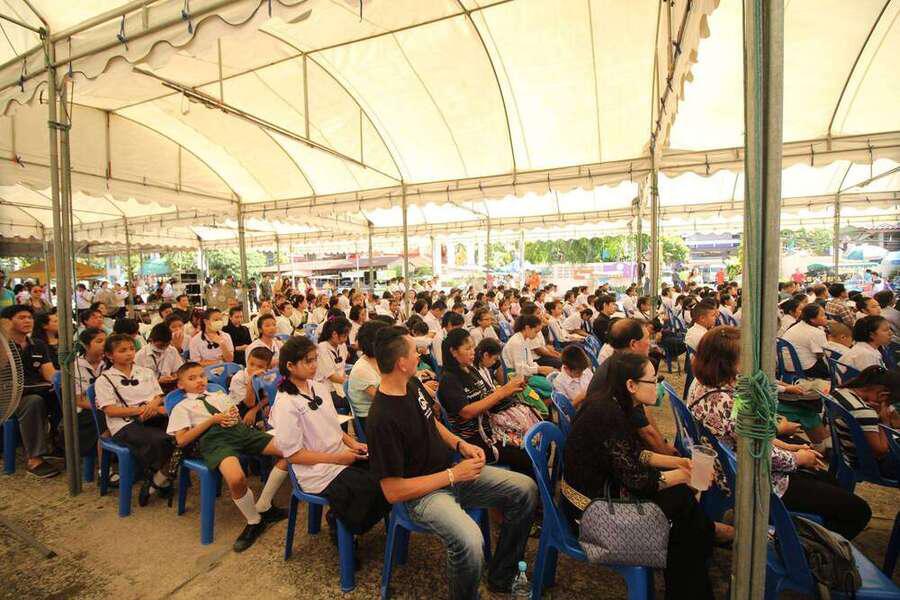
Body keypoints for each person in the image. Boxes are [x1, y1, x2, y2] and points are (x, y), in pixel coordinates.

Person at [366, 326, 538, 599]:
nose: (420, 354)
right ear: (401, 363)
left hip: (451, 473)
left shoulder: (411, 385)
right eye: (414, 351)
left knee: (525, 489)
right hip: (421, 496)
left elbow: (432, 422)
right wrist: (452, 476)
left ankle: (502, 574)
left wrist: (460, 444)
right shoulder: (382, 419)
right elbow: (393, 491)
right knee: (470, 540)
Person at [564, 352, 727, 600]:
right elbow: (640, 481)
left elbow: (635, 454)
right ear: (631, 385)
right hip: (590, 512)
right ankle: (692, 579)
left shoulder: (616, 405)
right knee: (682, 506)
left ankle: (694, 565)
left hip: (603, 490)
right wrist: (683, 475)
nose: (657, 386)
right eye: (653, 380)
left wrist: (679, 462)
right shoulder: (606, 413)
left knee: (683, 506)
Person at [688, 326, 871, 540]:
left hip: (730, 469)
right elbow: (757, 452)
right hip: (753, 480)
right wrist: (798, 458)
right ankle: (806, 546)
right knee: (858, 510)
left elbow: (745, 435)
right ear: (727, 362)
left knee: (825, 478)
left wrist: (787, 446)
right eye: (745, 355)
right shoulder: (726, 399)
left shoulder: (703, 385)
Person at [269, 336, 390, 547]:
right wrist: (338, 459)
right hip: (317, 470)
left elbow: (333, 425)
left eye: (315, 359)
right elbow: (294, 455)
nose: (314, 365)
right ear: (290, 366)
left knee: (386, 470)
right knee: (371, 487)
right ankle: (339, 523)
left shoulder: (318, 387)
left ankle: (345, 517)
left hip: (340, 455)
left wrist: (353, 444)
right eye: (308, 361)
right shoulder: (285, 403)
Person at [167, 362, 287, 551]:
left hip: (240, 432)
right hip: (214, 441)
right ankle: (254, 520)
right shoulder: (182, 407)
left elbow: (236, 416)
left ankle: (264, 504)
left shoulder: (219, 395)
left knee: (291, 452)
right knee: (236, 479)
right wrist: (211, 421)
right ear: (180, 384)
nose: (199, 381)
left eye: (202, 376)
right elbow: (181, 440)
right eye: (192, 378)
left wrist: (232, 417)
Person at [438, 329, 532, 475]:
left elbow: (488, 396)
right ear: (453, 351)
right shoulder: (449, 380)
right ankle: (529, 487)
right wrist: (502, 392)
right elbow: (467, 412)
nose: (473, 352)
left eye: (473, 347)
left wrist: (510, 389)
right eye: (467, 348)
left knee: (533, 439)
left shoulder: (470, 370)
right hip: (476, 440)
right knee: (526, 453)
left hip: (491, 427)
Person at [94, 334, 174, 506]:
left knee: (182, 435)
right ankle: (160, 478)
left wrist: (152, 406)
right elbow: (110, 410)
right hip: (125, 424)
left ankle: (157, 479)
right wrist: (141, 410)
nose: (129, 353)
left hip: (152, 416)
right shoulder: (104, 380)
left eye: (131, 349)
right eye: (122, 350)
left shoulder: (145, 372)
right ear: (109, 355)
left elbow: (159, 396)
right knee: (162, 440)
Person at [1, 305, 59, 478]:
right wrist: (4, 337)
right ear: (7, 322)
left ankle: (59, 443)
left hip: (34, 390)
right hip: (7, 398)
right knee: (33, 402)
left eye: (30, 317)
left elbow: (49, 374)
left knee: (60, 394)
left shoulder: (38, 345)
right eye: (21, 317)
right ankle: (34, 459)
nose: (28, 321)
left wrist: (61, 381)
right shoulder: (3, 345)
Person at [831, 366, 900, 479]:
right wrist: (884, 421)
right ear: (883, 395)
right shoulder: (864, 412)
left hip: (846, 452)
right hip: (870, 465)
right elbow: (881, 451)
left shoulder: (841, 392)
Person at [781, 303, 830, 380]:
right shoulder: (816, 332)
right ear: (812, 319)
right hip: (804, 368)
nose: (826, 317)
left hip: (786, 365)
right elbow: (824, 355)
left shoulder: (799, 325)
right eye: (822, 315)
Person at [135, 323, 184, 392]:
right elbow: (138, 381)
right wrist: (157, 381)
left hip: (170, 386)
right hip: (150, 389)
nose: (164, 348)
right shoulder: (140, 355)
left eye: (167, 345)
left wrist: (174, 376)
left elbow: (179, 369)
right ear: (151, 340)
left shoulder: (172, 350)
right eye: (161, 345)